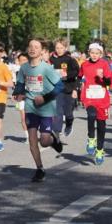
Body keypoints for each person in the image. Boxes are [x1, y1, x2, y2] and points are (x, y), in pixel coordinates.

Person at [13, 38, 64, 182]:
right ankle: (40, 169)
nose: (32, 49)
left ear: (42, 51)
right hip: (30, 107)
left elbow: (60, 87)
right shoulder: (24, 68)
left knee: (44, 141)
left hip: (46, 108)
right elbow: (20, 84)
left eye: (36, 47)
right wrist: (18, 93)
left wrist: (45, 98)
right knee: (32, 139)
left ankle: (53, 140)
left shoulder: (46, 68)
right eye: (30, 46)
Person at [79, 42, 112, 165]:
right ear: (89, 53)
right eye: (92, 53)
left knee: (101, 127)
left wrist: (103, 77)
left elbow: (109, 81)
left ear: (101, 54)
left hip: (102, 99)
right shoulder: (84, 65)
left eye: (97, 53)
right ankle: (91, 139)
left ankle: (99, 150)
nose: (94, 55)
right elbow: (79, 77)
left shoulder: (104, 64)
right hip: (89, 98)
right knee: (91, 115)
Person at [49, 38, 79, 138]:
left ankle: (69, 124)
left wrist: (66, 75)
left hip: (68, 89)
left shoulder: (70, 60)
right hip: (57, 90)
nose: (59, 50)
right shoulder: (51, 59)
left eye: (61, 48)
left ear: (65, 48)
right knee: (58, 112)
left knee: (68, 113)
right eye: (57, 48)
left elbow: (76, 73)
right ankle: (56, 132)